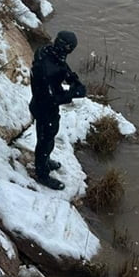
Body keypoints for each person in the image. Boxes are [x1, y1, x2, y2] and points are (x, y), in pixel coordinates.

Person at [28, 30, 86, 190]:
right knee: (45, 140)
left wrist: (71, 77)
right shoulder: (48, 69)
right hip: (45, 107)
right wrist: (72, 93)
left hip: (40, 103)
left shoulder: (45, 51)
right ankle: (42, 173)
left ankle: (45, 161)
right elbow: (52, 97)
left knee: (48, 136)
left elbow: (61, 66)